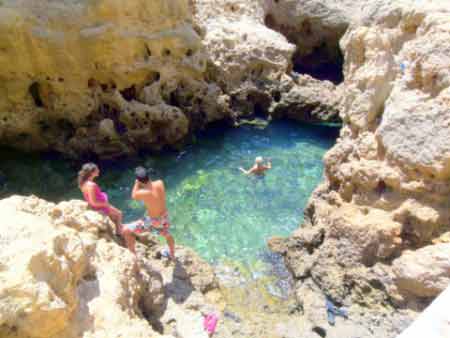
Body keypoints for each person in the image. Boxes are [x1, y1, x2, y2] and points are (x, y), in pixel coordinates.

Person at [123, 167, 175, 259]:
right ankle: (172, 254)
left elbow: (133, 195)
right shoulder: (160, 182)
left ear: (139, 180)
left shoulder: (143, 192)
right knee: (167, 234)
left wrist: (136, 183)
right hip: (165, 217)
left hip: (153, 221)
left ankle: (133, 256)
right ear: (148, 176)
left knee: (126, 230)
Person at [78, 163, 123, 235]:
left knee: (114, 216)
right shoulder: (91, 185)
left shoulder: (83, 183)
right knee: (119, 214)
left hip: (97, 206)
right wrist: (106, 204)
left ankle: (118, 227)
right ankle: (119, 233)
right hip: (100, 207)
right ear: (92, 173)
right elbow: (93, 202)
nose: (98, 170)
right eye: (97, 169)